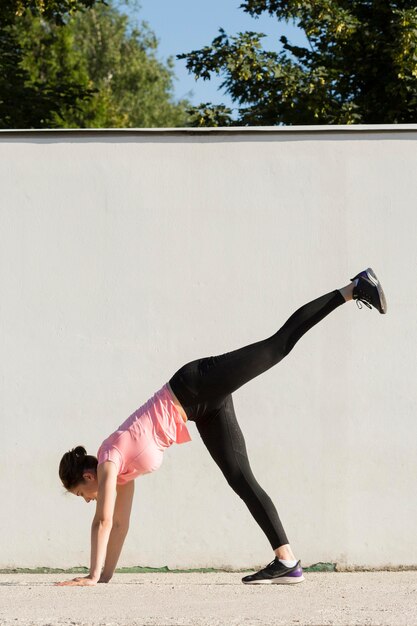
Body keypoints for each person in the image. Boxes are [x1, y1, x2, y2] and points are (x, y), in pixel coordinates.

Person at [57, 268, 386, 587]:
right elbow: (119, 524)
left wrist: (90, 575)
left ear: (87, 477)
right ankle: (286, 561)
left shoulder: (109, 459)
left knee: (277, 346)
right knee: (240, 479)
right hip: (201, 410)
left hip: (193, 387)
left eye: (81, 495)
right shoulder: (121, 472)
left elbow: (102, 521)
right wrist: (104, 577)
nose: (88, 500)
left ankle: (352, 289)